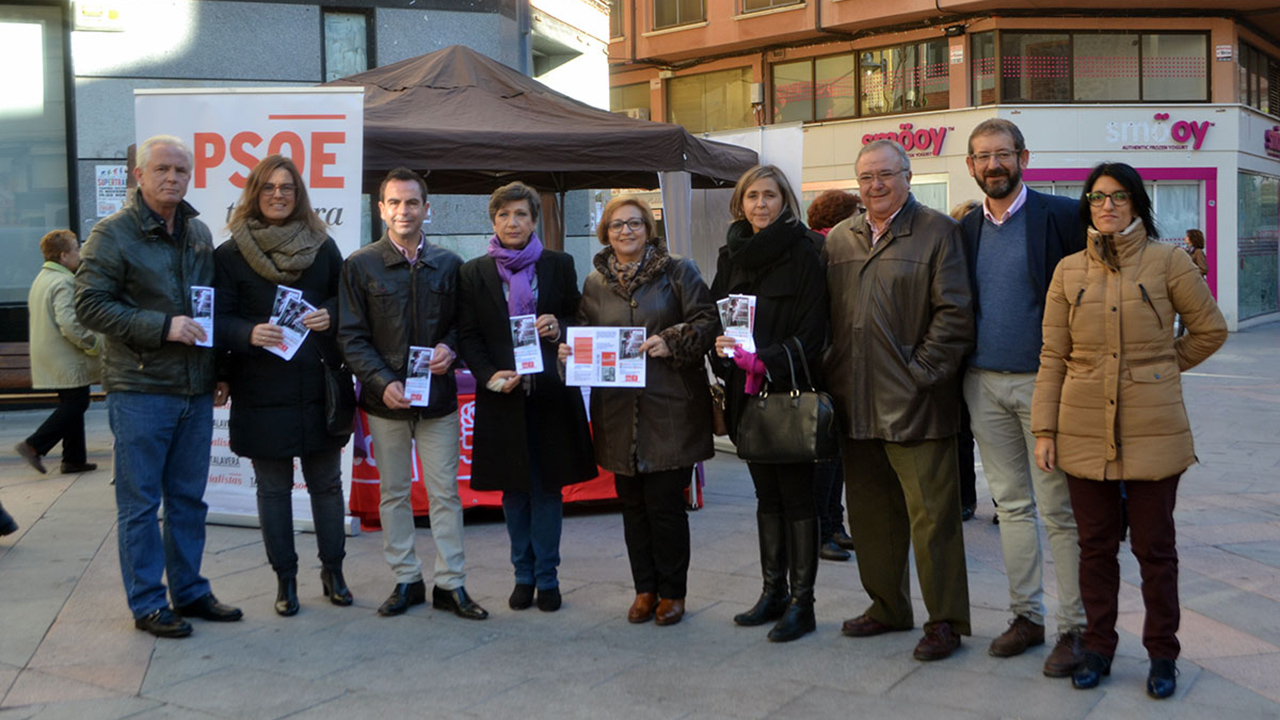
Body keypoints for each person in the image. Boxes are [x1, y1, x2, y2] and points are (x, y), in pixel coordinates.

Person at [1031, 162, 1226, 698]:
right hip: (1081, 425)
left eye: (1119, 197)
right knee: (1094, 546)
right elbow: (1053, 354)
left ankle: (1163, 653)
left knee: (1155, 548)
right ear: (1087, 206)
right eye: (1097, 198)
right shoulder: (1069, 271)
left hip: (1152, 426)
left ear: (1137, 203)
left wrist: (1161, 367)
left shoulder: (1169, 263)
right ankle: (1097, 646)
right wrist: (1044, 429)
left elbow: (1210, 329)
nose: (1108, 206)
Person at [75, 134, 242, 638]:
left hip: (193, 388)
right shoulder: (112, 234)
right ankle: (148, 602)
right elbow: (89, 306)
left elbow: (207, 307)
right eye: (163, 169)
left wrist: (218, 371)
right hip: (140, 390)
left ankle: (189, 591)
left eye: (181, 171)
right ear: (138, 175)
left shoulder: (196, 231)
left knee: (189, 499)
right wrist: (162, 325)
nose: (173, 178)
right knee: (141, 505)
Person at [824, 139, 973, 661]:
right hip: (854, 399)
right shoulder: (840, 239)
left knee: (933, 520)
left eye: (886, 174)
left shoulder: (938, 231)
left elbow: (955, 314)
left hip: (917, 402)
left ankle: (946, 620)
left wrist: (921, 374)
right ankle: (887, 605)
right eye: (866, 178)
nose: (876, 186)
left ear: (908, 175)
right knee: (870, 515)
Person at [958, 118, 1089, 676]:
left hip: (1046, 386)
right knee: (1010, 506)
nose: (994, 165)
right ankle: (1026, 618)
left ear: (1023, 158)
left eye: (1003, 155)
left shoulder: (1060, 217)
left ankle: (1075, 628)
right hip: (983, 384)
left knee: (1059, 511)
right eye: (983, 156)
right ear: (970, 165)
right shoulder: (964, 229)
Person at [338, 167, 488, 621]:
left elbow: (466, 326)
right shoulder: (360, 265)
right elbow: (350, 336)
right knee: (394, 493)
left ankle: (451, 584)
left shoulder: (450, 263)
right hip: (385, 402)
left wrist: (451, 348)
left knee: (445, 494)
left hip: (438, 400)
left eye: (412, 202)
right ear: (381, 209)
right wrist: (384, 381)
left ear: (428, 209)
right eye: (395, 203)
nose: (404, 211)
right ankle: (406, 579)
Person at [560, 195, 717, 626]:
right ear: (605, 233)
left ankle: (673, 593)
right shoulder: (595, 281)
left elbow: (707, 321)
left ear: (649, 229)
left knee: (665, 504)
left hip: (670, 405)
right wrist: (573, 348)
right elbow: (589, 330)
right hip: (618, 409)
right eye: (616, 225)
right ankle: (644, 589)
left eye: (634, 224)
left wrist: (673, 339)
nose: (625, 232)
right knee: (631, 505)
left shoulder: (678, 270)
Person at [214, 155, 352, 617]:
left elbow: (343, 296)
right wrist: (247, 333)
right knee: (273, 492)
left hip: (318, 387)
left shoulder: (322, 245)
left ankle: (333, 572)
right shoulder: (230, 254)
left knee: (327, 487)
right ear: (255, 192)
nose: (278, 194)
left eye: (287, 187)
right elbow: (218, 317)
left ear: (299, 195)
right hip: (259, 388)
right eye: (269, 186)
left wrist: (331, 313)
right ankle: (285, 581)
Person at [457, 181, 597, 614]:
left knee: (548, 490)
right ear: (493, 221)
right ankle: (522, 575)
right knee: (514, 492)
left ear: (534, 220)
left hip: (550, 394)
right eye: (503, 215)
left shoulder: (558, 264)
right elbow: (468, 335)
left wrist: (561, 327)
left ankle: (548, 578)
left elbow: (579, 315)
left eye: (520, 214)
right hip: (503, 394)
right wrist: (487, 375)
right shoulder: (475, 272)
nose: (512, 222)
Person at [712, 165, 828, 643]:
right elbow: (716, 314)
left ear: (786, 201)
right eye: (752, 197)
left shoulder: (807, 251)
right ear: (741, 204)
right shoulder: (730, 254)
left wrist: (768, 361)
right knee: (765, 497)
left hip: (788, 390)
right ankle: (772, 592)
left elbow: (814, 329)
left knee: (798, 498)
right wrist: (720, 351)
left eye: (770, 196)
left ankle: (804, 603)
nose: (760, 205)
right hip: (746, 395)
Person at [16, 229, 101, 476]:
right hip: (66, 355)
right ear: (64, 256)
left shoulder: (43, 277)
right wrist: (92, 343)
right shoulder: (64, 281)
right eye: (77, 249)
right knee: (78, 402)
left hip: (50, 355)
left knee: (72, 402)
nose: (80, 254)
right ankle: (34, 445)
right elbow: (70, 324)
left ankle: (73, 459)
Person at [805, 190, 861, 561]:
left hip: (837, 359)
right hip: (824, 361)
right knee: (826, 453)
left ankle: (834, 524)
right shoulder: (824, 249)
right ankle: (823, 529)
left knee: (836, 451)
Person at [947, 200, 982, 523]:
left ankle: (1005, 501)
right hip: (957, 360)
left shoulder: (985, 260)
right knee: (960, 434)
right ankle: (964, 499)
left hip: (985, 357)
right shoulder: (950, 260)